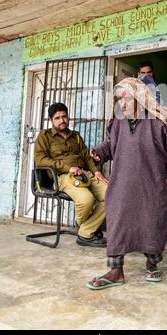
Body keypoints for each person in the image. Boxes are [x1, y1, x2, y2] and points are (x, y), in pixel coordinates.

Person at [86, 78, 167, 290]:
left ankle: (152, 263)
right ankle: (116, 270)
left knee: (152, 220)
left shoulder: (156, 122)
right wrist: (98, 153)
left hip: (151, 182)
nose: (122, 104)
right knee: (118, 221)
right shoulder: (118, 122)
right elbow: (110, 145)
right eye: (119, 100)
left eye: (126, 99)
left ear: (138, 96)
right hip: (122, 183)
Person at [34, 102, 108, 248]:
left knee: (113, 195)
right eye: (57, 118)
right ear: (51, 120)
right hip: (61, 176)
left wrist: (96, 171)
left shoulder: (76, 136)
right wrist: (68, 167)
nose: (62, 120)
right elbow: (40, 160)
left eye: (64, 116)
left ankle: (85, 230)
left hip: (85, 174)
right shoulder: (45, 137)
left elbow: (87, 157)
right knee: (86, 200)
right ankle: (87, 231)